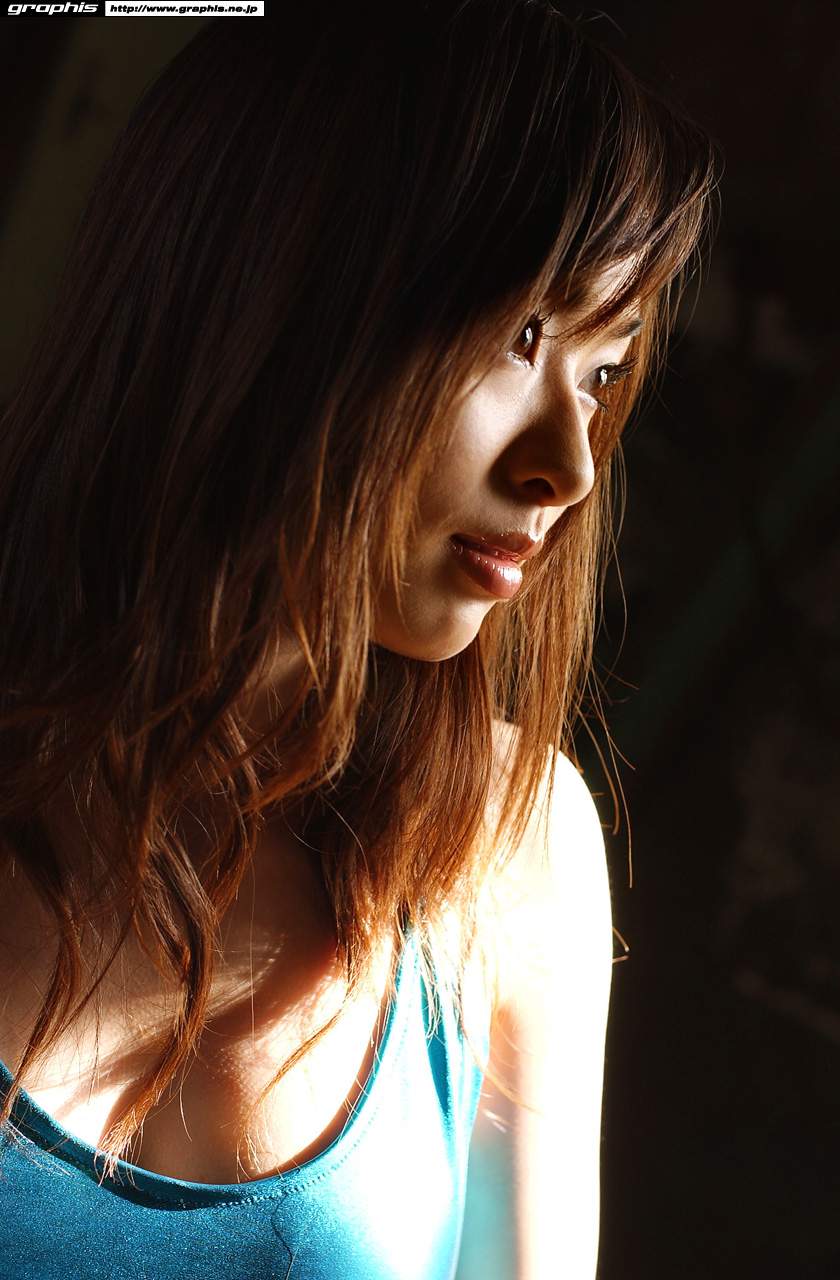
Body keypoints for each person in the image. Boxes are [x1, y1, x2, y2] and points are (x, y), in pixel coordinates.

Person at [0, 3, 716, 1277]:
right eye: (524, 338)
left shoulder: (513, 847)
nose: (568, 469)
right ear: (279, 297)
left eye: (603, 373)